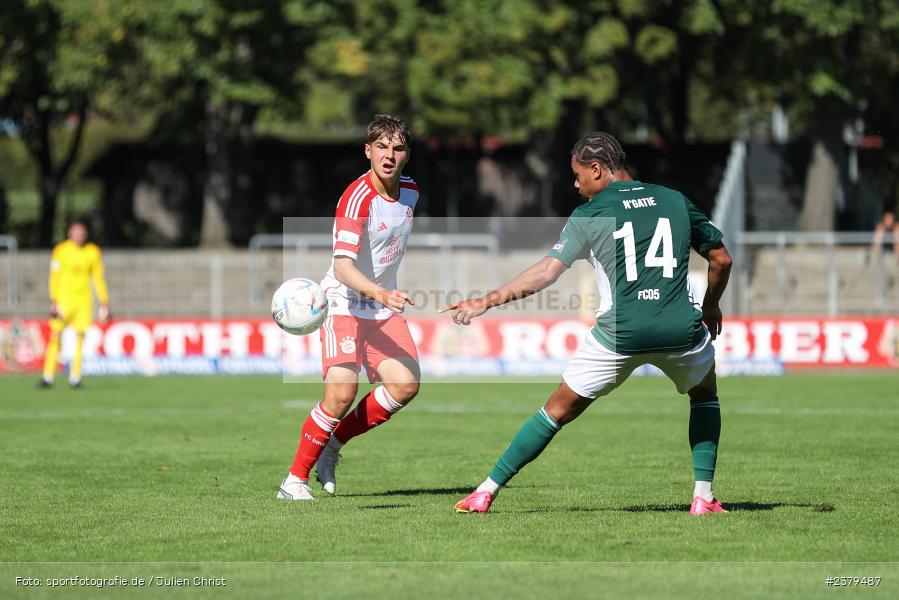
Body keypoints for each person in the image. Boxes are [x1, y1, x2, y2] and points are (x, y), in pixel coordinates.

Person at [444, 132, 733, 515]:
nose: (575, 183)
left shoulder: (591, 214)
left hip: (620, 334)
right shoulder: (674, 200)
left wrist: (486, 301)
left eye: (578, 174)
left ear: (598, 169)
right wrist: (711, 306)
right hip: (679, 330)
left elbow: (547, 272)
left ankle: (485, 491)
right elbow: (722, 259)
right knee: (704, 395)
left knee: (555, 412)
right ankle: (703, 497)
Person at [277, 114, 421, 501]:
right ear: (368, 151)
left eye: (398, 148)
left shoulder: (411, 192)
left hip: (379, 307)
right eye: (381, 147)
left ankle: (332, 445)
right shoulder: (356, 197)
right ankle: (293, 481)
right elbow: (342, 266)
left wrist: (383, 295)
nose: (389, 155)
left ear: (407, 154)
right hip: (343, 302)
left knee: (406, 386)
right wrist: (382, 293)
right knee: (341, 395)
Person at [40, 219, 111, 388]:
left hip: (83, 301)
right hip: (64, 300)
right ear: (69, 233)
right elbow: (54, 276)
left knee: (80, 337)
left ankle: (75, 377)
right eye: (76, 231)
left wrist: (104, 301)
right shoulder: (61, 251)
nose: (79, 235)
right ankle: (48, 376)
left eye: (82, 231)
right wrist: (54, 300)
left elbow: (98, 278)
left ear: (85, 233)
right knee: (55, 336)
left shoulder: (93, 252)